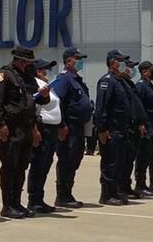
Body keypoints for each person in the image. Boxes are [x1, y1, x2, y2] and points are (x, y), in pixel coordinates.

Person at [0, 46, 47, 218]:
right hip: (11, 128)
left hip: (26, 127)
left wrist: (44, 95)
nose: (30, 65)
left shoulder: (27, 77)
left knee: (21, 166)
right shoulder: (4, 75)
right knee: (9, 166)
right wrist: (1, 124)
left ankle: (17, 202)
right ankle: (7, 205)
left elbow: (34, 101)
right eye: (28, 62)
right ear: (21, 61)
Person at [51, 47, 91, 208]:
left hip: (79, 127)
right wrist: (61, 125)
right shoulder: (64, 79)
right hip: (69, 128)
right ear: (68, 61)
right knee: (67, 159)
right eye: (77, 58)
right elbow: (57, 101)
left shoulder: (76, 79)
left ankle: (68, 192)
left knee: (75, 159)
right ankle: (62, 195)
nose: (80, 61)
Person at [27, 58, 67, 213]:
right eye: (45, 69)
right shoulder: (36, 85)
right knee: (38, 165)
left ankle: (39, 198)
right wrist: (34, 130)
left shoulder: (47, 86)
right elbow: (33, 108)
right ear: (37, 71)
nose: (47, 72)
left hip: (52, 131)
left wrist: (61, 125)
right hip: (42, 129)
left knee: (45, 165)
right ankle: (34, 200)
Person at [94, 49, 131, 205]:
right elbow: (102, 106)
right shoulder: (107, 81)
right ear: (112, 62)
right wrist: (102, 129)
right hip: (111, 130)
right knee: (110, 162)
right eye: (120, 60)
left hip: (121, 129)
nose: (122, 63)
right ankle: (106, 195)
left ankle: (115, 191)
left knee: (119, 163)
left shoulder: (119, 81)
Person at [119, 58, 148, 199]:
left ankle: (126, 186)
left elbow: (136, 106)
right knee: (122, 161)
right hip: (124, 127)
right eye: (129, 66)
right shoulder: (120, 83)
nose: (131, 69)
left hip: (133, 127)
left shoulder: (128, 83)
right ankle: (120, 188)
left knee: (129, 160)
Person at [134, 61, 153, 194]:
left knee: (148, 155)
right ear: (144, 71)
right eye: (151, 70)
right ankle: (140, 184)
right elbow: (138, 106)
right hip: (145, 124)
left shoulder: (149, 85)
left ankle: (144, 184)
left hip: (152, 124)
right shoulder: (140, 86)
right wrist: (140, 124)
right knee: (142, 155)